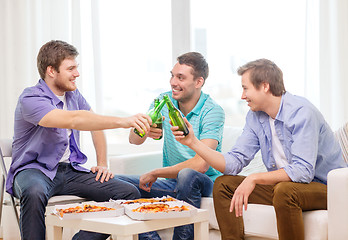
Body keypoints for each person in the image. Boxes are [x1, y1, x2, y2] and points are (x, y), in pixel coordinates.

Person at [171, 58, 346, 240]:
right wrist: (193, 142)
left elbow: (303, 171)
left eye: (246, 88)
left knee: (285, 191)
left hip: (327, 188)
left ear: (264, 86)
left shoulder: (302, 112)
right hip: (285, 187)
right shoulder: (255, 117)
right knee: (224, 185)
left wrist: (254, 178)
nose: (242, 96)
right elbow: (233, 162)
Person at [6, 40, 153, 240]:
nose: (77, 73)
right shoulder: (31, 98)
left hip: (69, 170)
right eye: (71, 68)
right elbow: (74, 120)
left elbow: (95, 125)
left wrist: (102, 163)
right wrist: (123, 121)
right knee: (33, 192)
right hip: (32, 170)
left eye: (77, 67)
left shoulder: (73, 95)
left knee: (128, 193)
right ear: (51, 71)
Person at [116, 52, 225, 240]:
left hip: (204, 183)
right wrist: (143, 129)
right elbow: (134, 140)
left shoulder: (212, 111)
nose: (173, 82)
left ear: (198, 82)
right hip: (172, 183)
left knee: (188, 175)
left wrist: (157, 172)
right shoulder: (164, 101)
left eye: (180, 77)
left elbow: (201, 165)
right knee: (115, 183)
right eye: (172, 75)